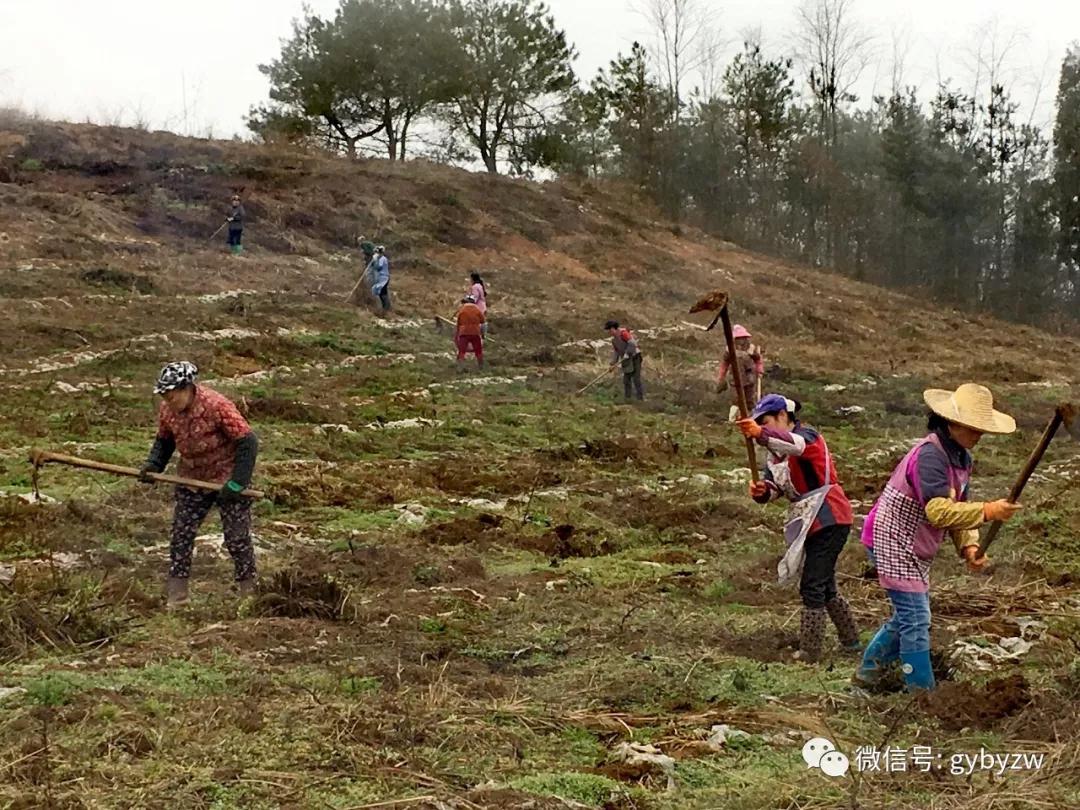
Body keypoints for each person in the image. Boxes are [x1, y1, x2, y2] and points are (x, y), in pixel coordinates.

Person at [854, 383, 1020, 692]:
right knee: (916, 619)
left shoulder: (962, 458)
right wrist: (988, 511)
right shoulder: (931, 456)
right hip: (891, 539)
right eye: (974, 427)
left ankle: (866, 676)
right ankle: (921, 692)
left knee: (906, 617)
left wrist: (970, 545)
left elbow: (958, 508)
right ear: (952, 422)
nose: (979, 435)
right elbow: (939, 512)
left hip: (913, 545)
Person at [738, 394, 859, 663]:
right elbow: (775, 488)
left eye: (765, 421)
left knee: (812, 584)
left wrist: (760, 434)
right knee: (824, 584)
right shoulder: (774, 457)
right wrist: (762, 492)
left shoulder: (808, 437)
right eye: (759, 423)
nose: (762, 427)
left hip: (829, 516)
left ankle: (810, 652)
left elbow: (797, 446)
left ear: (783, 416)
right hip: (807, 520)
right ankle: (851, 641)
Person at [139, 361, 259, 608]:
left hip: (227, 477)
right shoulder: (167, 411)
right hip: (191, 479)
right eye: (164, 396)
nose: (168, 401)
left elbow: (248, 442)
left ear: (187, 389)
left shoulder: (217, 406)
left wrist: (237, 483)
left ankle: (250, 594)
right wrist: (153, 465)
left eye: (172, 396)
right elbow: (164, 441)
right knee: (181, 535)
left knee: (237, 538)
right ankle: (177, 597)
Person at [717, 324, 764, 422]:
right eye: (739, 338)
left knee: (750, 401)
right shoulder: (729, 350)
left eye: (743, 338)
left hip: (749, 378)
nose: (741, 341)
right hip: (735, 379)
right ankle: (733, 420)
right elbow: (724, 364)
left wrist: (760, 371)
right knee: (736, 400)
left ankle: (751, 420)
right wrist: (721, 376)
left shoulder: (751, 348)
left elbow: (758, 360)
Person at [605, 320, 644, 402]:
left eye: (608, 330)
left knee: (636, 379)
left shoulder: (623, 333)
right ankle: (628, 398)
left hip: (635, 357)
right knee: (626, 380)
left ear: (612, 329)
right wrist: (613, 364)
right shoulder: (614, 340)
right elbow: (616, 352)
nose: (608, 332)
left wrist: (628, 352)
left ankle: (640, 399)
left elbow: (632, 343)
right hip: (625, 360)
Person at [455, 295, 486, 368]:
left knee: (462, 350)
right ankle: (481, 365)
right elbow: (483, 323)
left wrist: (457, 335)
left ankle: (460, 366)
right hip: (475, 332)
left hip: (464, 332)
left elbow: (458, 324)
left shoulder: (462, 310)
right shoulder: (477, 310)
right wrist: (483, 334)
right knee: (478, 350)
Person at [370, 245, 391, 312]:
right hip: (381, 278)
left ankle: (386, 308)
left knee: (383, 293)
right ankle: (384, 307)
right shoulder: (379, 259)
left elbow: (379, 267)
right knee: (381, 293)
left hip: (384, 278)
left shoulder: (383, 259)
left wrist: (375, 261)